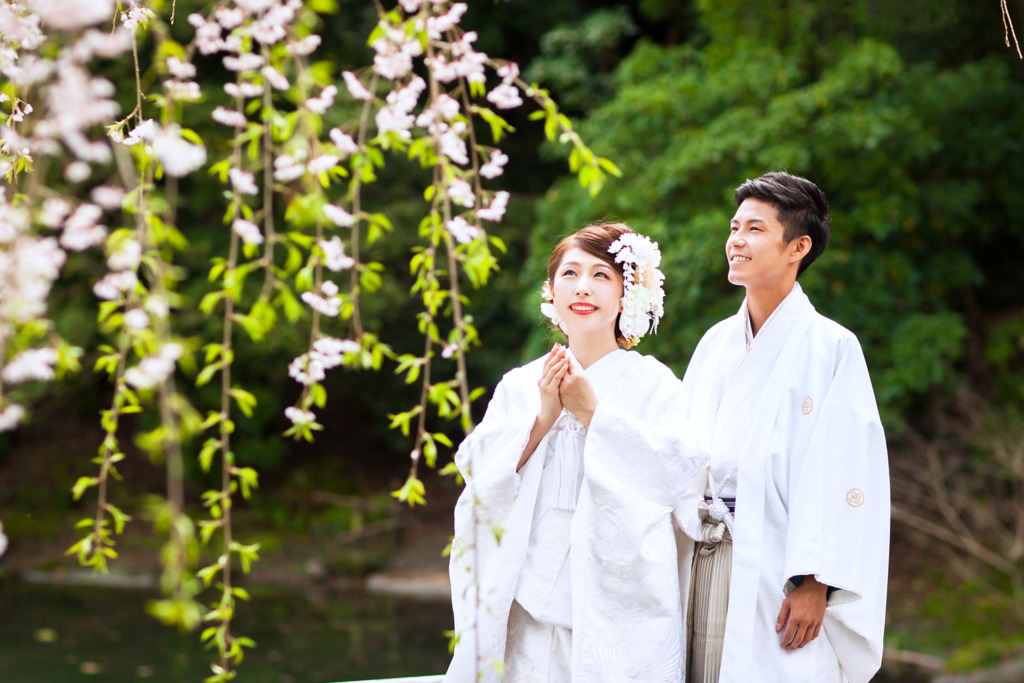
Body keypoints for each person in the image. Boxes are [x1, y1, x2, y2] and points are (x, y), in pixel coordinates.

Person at [444, 222, 707, 683]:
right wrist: (542, 418)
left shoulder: (656, 385)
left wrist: (595, 417)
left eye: (601, 275)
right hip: (525, 602)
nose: (583, 287)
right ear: (551, 289)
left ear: (628, 294)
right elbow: (477, 474)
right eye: (570, 273)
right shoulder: (523, 383)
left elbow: (679, 478)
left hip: (617, 603)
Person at [679, 172, 890, 683]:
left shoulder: (832, 347)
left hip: (780, 561)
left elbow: (845, 472)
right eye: (734, 227)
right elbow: (680, 450)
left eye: (754, 228)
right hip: (702, 549)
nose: (735, 240)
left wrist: (816, 580)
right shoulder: (714, 343)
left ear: (798, 246)